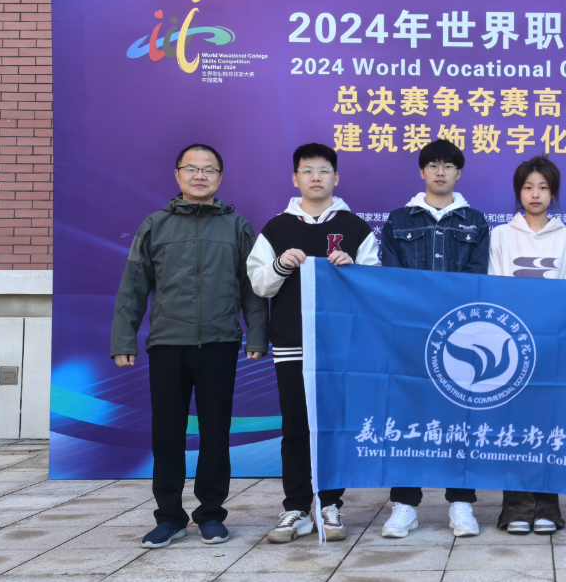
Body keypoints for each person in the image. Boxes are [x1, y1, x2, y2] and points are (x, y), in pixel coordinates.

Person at [110, 144, 268, 549]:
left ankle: (211, 514)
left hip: (220, 343)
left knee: (215, 431)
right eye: (192, 169)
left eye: (209, 170)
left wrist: (257, 334)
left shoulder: (237, 227)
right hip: (168, 343)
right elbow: (134, 285)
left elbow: (252, 287)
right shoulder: (155, 225)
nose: (200, 176)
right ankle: (169, 518)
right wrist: (124, 338)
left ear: (220, 177)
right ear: (178, 175)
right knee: (167, 434)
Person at [246, 143, 380, 544]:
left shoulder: (356, 228)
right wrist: (280, 264)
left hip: (339, 348)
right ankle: (296, 508)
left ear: (336, 177)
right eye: (307, 170)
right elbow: (259, 284)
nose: (316, 177)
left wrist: (352, 271)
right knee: (295, 428)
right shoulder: (276, 228)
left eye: (323, 170)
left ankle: (331, 504)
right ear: (295, 179)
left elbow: (375, 287)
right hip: (292, 344)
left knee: (333, 427)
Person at [378, 138, 490, 538]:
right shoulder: (398, 221)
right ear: (422, 171)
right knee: (406, 415)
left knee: (460, 416)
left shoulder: (475, 221)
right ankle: (405, 505)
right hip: (409, 336)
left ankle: (461, 503)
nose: (440, 172)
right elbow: (391, 278)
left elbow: (477, 277)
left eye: (448, 166)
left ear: (459, 173)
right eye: (433, 165)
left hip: (460, 338)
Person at [489, 155, 566, 535]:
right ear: (519, 192)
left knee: (549, 423)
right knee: (514, 425)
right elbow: (494, 287)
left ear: (553, 193)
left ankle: (548, 507)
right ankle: (514, 508)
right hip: (510, 345)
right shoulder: (500, 235)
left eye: (543, 187)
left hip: (553, 344)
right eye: (528, 187)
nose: (535, 194)